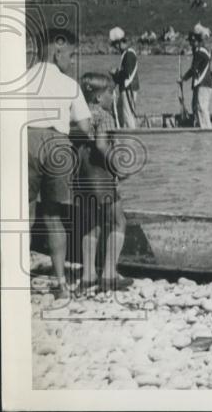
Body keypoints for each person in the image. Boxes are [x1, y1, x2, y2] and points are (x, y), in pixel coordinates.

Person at [26, 27, 93, 298]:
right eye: (71, 55)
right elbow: (87, 130)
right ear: (57, 51)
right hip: (57, 144)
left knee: (24, 216)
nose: (72, 61)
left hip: (25, 139)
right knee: (54, 217)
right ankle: (62, 285)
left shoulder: (21, 78)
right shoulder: (69, 84)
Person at [75, 73, 133, 292]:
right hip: (100, 175)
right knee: (119, 221)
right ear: (99, 97)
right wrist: (119, 167)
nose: (113, 96)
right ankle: (109, 275)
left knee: (92, 224)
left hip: (81, 175)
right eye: (110, 92)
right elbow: (101, 144)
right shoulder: (105, 115)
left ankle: (88, 274)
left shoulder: (80, 115)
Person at [179, 23, 212, 128]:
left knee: (201, 108)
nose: (191, 44)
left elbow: (193, 69)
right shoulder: (199, 51)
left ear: (197, 41)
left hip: (204, 84)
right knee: (195, 107)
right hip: (200, 84)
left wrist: (183, 79)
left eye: (192, 42)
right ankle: (199, 126)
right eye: (190, 42)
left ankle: (206, 129)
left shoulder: (200, 52)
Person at [108, 26, 139, 129]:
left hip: (128, 89)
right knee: (120, 111)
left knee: (128, 115)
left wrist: (116, 73)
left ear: (120, 43)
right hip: (125, 89)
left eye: (115, 45)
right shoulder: (126, 54)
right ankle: (121, 130)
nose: (115, 48)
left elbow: (127, 75)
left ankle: (131, 134)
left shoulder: (129, 54)